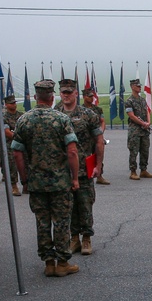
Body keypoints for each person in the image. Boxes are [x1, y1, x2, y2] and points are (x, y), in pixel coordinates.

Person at [12, 79, 80, 278]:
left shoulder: (24, 120)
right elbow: (72, 151)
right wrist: (75, 178)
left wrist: (24, 180)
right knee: (61, 221)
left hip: (36, 182)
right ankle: (62, 263)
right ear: (52, 97)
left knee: (42, 222)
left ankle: (48, 262)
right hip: (60, 182)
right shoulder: (61, 119)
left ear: (35, 97)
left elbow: (16, 153)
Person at [56, 78, 104, 256]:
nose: (66, 95)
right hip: (62, 170)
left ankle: (86, 238)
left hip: (84, 168)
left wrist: (98, 165)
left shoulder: (88, 114)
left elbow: (99, 141)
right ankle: (74, 237)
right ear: (60, 94)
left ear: (76, 93)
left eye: (70, 92)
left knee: (85, 204)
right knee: (67, 205)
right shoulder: (56, 114)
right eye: (63, 92)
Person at [81, 86, 110, 186]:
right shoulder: (80, 110)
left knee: (98, 155)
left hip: (96, 136)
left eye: (92, 96)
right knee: (84, 157)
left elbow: (102, 121)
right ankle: (85, 176)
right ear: (84, 97)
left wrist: (100, 132)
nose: (91, 98)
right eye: (89, 96)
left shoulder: (98, 109)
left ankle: (99, 176)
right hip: (85, 138)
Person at [125, 78, 152, 180]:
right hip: (135, 130)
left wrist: (148, 122)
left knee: (145, 150)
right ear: (132, 87)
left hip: (144, 129)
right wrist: (142, 123)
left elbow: (147, 112)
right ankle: (133, 171)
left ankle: (143, 170)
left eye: (140, 86)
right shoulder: (129, 101)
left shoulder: (142, 100)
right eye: (137, 86)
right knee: (134, 151)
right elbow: (131, 116)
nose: (139, 87)